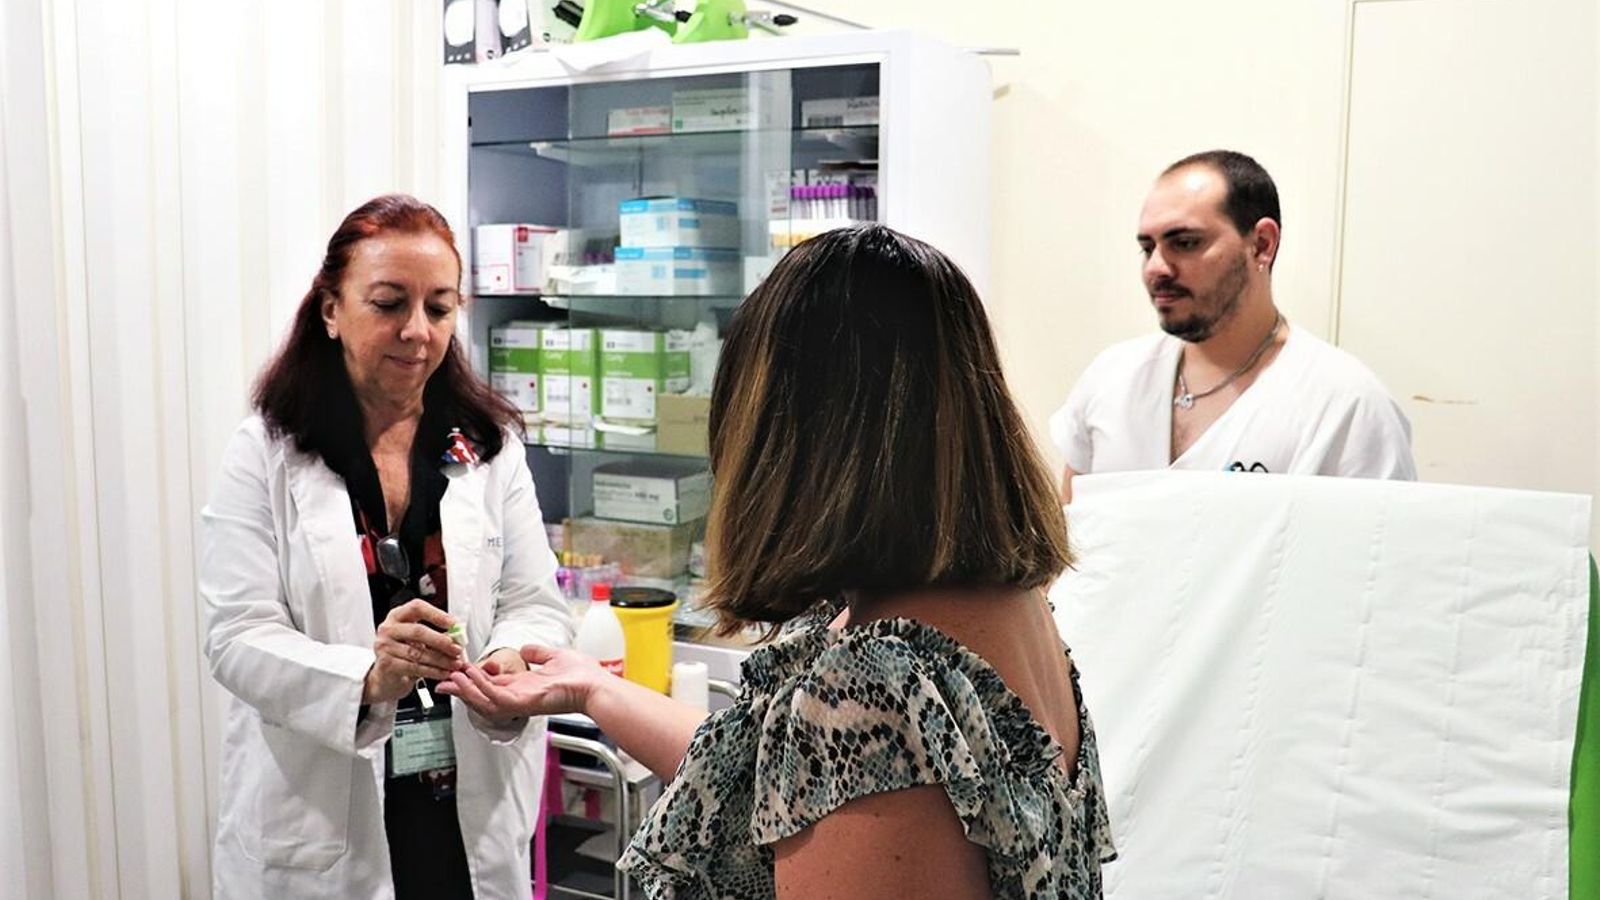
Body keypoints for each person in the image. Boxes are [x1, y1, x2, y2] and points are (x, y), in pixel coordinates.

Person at [439, 225, 1117, 899]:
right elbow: (778, 776)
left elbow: (843, 771)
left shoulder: (873, 684)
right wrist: (594, 688)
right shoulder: (1008, 611)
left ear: (787, 437)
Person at [200, 194, 573, 899]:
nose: (416, 332)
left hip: (463, 799)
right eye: (388, 303)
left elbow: (534, 602)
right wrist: (367, 677)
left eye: (438, 307)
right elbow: (236, 636)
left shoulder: (486, 449)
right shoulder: (267, 453)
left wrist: (508, 659)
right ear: (332, 310)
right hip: (326, 812)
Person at [1051, 150, 1416, 502]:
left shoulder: (1348, 406)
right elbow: (1066, 539)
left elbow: (1377, 557)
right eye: (1148, 248)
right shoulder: (1111, 379)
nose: (1156, 268)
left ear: (1261, 245)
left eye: (1185, 243)